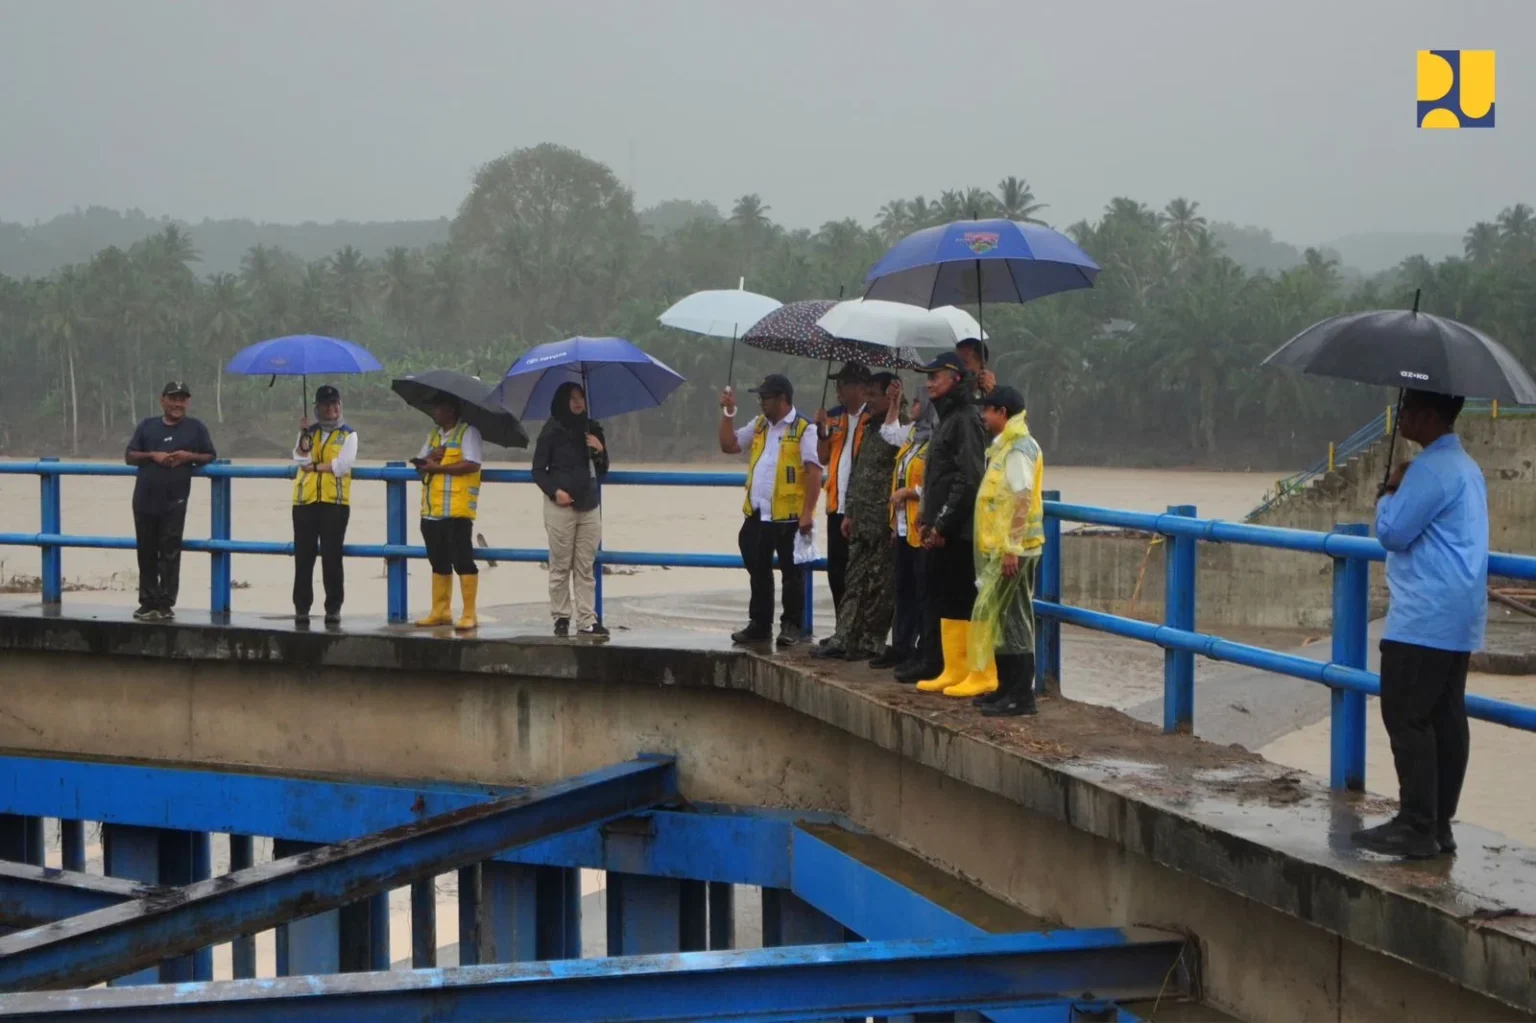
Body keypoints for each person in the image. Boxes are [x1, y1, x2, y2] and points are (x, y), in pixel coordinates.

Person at [1352, 390, 1487, 859]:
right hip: (1460, 612)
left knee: (1407, 717)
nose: (1400, 417)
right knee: (1446, 718)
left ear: (1428, 416)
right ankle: (1439, 826)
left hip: (1424, 615)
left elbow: (1392, 533)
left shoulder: (1428, 471)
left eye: (1407, 410)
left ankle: (1415, 824)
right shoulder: (1467, 468)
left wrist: (1390, 491)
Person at [719, 374, 822, 647]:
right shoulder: (760, 425)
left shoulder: (804, 429)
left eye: (765, 398)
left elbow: (813, 473)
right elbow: (729, 445)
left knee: (792, 574)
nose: (761, 402)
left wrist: (808, 513)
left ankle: (791, 626)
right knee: (758, 570)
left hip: (789, 515)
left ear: (782, 399)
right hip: (758, 513)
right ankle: (760, 624)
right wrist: (728, 413)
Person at [907, 353, 987, 694]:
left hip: (960, 532)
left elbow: (968, 479)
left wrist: (943, 526)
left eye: (935, 376)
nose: (929, 383)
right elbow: (936, 475)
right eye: (927, 377)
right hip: (941, 528)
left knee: (961, 598)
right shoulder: (945, 418)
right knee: (942, 598)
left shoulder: (966, 418)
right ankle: (951, 668)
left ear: (955, 378)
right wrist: (926, 518)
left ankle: (971, 672)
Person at [813, 372, 901, 661]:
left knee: (879, 586)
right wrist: (849, 512)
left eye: (875, 395)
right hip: (860, 517)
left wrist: (893, 522)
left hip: (883, 520)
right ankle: (844, 636)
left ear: (891, 396)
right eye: (868, 394)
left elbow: (901, 477)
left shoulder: (899, 431)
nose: (869, 400)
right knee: (853, 580)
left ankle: (871, 641)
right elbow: (856, 473)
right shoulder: (870, 429)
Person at [967, 386, 1044, 715]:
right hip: (1001, 549)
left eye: (987, 410)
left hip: (1017, 549)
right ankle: (1004, 689)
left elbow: (1022, 498)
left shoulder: (1017, 449)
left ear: (1001, 412)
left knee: (1015, 622)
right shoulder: (1005, 446)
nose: (984, 417)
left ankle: (1021, 697)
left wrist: (1011, 547)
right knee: (1001, 619)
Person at [124, 382, 217, 622]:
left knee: (170, 551)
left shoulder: (196, 428)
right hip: (144, 499)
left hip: (174, 501)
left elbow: (210, 455)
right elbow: (130, 456)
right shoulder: (147, 426)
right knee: (146, 551)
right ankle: (147, 602)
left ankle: (165, 603)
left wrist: (189, 457)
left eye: (182, 400)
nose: (178, 404)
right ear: (162, 400)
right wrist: (152, 455)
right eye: (173, 399)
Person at [532, 381, 610, 637]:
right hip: (560, 506)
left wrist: (600, 450)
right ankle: (561, 618)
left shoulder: (593, 428)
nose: (578, 402)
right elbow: (537, 470)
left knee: (585, 566)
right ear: (563, 401)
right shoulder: (552, 429)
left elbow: (602, 469)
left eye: (581, 398)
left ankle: (587, 620)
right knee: (560, 565)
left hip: (589, 506)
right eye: (572, 398)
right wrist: (555, 492)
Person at [873, 392, 935, 672]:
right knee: (903, 589)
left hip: (920, 528)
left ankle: (922, 651)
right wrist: (895, 405)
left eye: (918, 402)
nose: (914, 406)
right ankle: (901, 647)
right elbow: (888, 433)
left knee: (923, 592)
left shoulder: (936, 440)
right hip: (900, 526)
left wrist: (910, 493)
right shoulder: (911, 434)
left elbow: (936, 484)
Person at [413, 395, 484, 631]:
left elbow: (473, 463)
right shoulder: (433, 435)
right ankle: (440, 611)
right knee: (438, 561)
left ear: (451, 410)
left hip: (457, 511)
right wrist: (428, 459)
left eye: (438, 407)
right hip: (431, 511)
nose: (434, 411)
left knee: (463, 560)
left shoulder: (468, 432)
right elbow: (420, 467)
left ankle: (469, 613)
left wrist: (438, 467)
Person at [291, 384, 357, 625]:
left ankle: (333, 607)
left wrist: (316, 467)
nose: (332, 409)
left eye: (335, 404)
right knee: (303, 557)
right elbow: (300, 458)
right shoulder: (310, 432)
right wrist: (304, 435)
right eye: (326, 404)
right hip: (304, 502)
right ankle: (301, 607)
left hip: (334, 503)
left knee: (332, 557)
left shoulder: (349, 435)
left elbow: (342, 466)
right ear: (317, 407)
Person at [815, 362, 872, 618]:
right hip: (836, 506)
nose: (838, 389)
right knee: (836, 571)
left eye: (843, 383)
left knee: (861, 572)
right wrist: (821, 432)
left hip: (862, 509)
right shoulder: (833, 416)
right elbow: (823, 458)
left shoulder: (874, 418)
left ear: (861, 388)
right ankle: (841, 627)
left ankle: (858, 630)